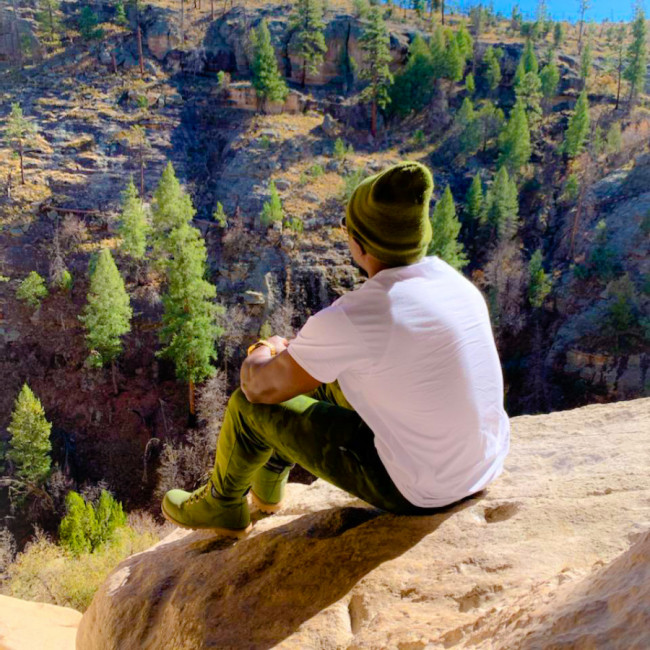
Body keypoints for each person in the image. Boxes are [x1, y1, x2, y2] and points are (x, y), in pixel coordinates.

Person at [161, 161, 510, 537]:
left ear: (359, 244)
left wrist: (266, 347)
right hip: (482, 465)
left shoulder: (358, 313)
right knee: (320, 382)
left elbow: (256, 387)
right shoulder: (453, 282)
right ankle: (268, 489)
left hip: (421, 490)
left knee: (250, 408)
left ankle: (223, 504)